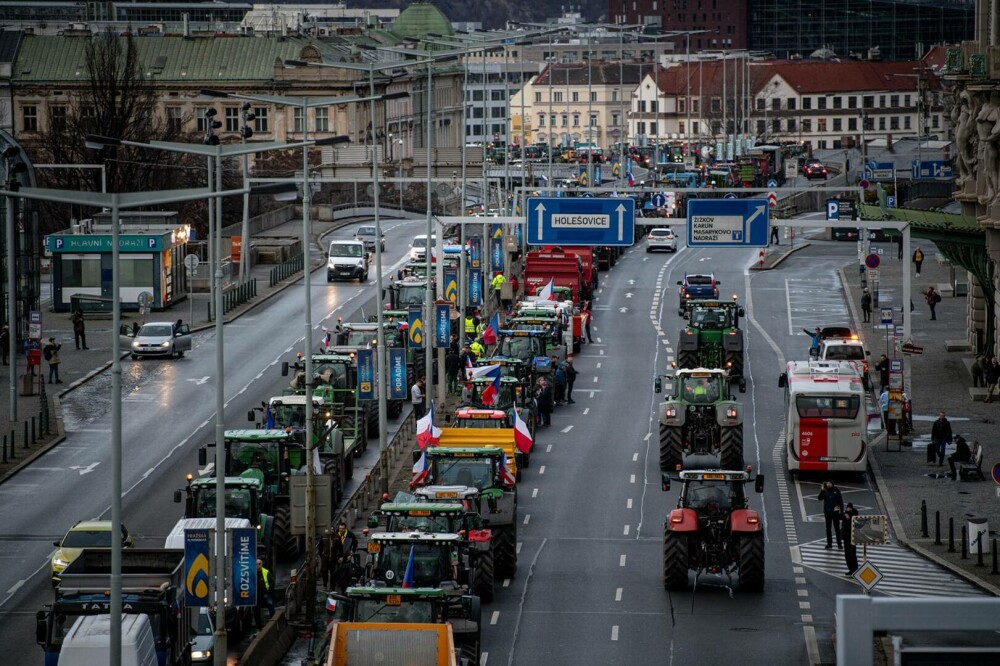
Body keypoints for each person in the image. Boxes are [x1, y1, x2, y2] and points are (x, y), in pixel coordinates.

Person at [818, 480, 844, 549]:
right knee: (828, 529)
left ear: (832, 484)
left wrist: (841, 511)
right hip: (827, 512)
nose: (828, 484)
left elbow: (841, 501)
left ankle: (839, 544)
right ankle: (829, 544)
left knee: (837, 528)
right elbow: (819, 498)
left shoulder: (836, 491)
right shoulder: (825, 491)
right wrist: (822, 490)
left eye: (830, 483)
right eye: (827, 483)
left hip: (835, 513)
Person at [255, 559, 275, 628]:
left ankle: (273, 622)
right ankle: (258, 626)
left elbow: (272, 583)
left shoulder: (266, 572)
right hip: (256, 596)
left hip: (265, 594)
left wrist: (268, 593)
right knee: (256, 610)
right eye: (256, 564)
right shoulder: (252, 573)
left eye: (259, 564)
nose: (258, 565)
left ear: (262, 564)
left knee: (271, 605)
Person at [841, 503, 859, 575]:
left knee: (852, 553)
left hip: (852, 536)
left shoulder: (854, 514)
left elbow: (853, 521)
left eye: (849, 508)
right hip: (846, 537)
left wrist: (848, 515)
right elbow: (840, 517)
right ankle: (850, 569)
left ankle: (855, 569)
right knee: (847, 554)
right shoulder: (845, 513)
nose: (847, 509)